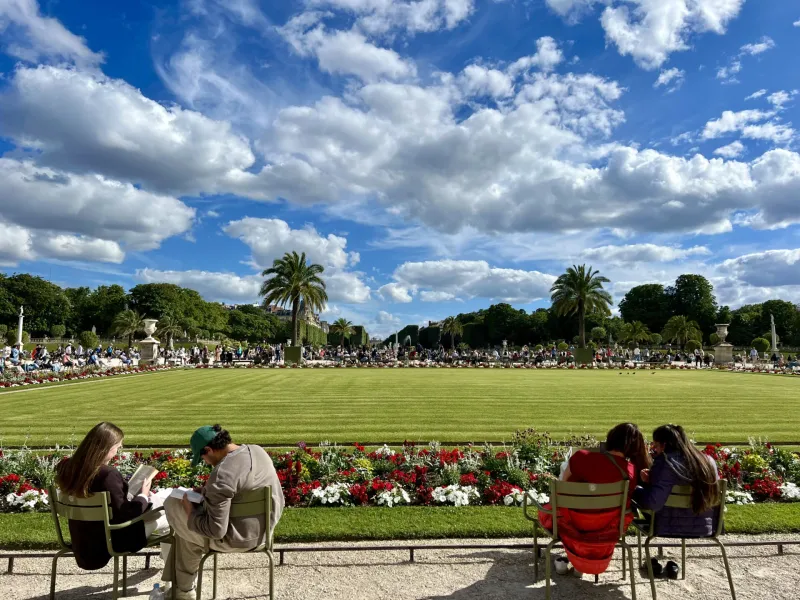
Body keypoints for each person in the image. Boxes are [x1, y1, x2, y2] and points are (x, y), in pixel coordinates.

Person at [162, 425, 285, 598]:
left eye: (202, 457)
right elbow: (243, 487)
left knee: (176, 511)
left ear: (209, 450)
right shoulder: (257, 451)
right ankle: (181, 589)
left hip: (236, 539)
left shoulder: (221, 474)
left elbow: (215, 530)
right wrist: (207, 492)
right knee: (187, 532)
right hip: (265, 532)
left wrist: (191, 512)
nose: (204, 462)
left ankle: (183, 591)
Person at [538, 423, 651, 575]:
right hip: (606, 528)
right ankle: (580, 560)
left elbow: (560, 491)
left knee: (550, 509)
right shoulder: (630, 471)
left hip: (572, 524)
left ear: (611, 438)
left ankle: (576, 557)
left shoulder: (581, 457)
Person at [54, 422, 164, 570]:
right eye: (118, 447)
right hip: (111, 541)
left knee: (162, 503)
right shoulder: (107, 474)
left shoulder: (67, 467)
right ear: (109, 447)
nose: (118, 451)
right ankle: (175, 580)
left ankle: (173, 573)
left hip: (82, 539)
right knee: (169, 512)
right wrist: (143, 495)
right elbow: (125, 516)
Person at [634, 424, 720, 539]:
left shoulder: (665, 463)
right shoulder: (708, 461)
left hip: (668, 526)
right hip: (704, 526)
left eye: (655, 447)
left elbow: (653, 503)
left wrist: (636, 491)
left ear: (663, 445)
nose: (655, 451)